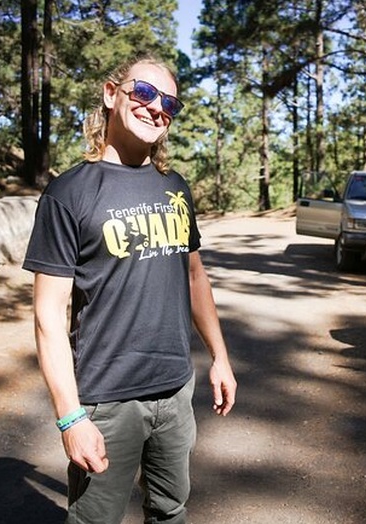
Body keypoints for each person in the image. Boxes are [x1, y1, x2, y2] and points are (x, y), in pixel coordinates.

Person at [22, 54, 237, 524]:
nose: (156, 107)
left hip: (176, 391)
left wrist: (219, 356)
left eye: (169, 103)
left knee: (171, 511)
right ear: (110, 94)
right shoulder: (68, 193)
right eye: (143, 92)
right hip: (107, 399)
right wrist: (71, 418)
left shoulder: (174, 186)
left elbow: (194, 276)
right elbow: (47, 316)